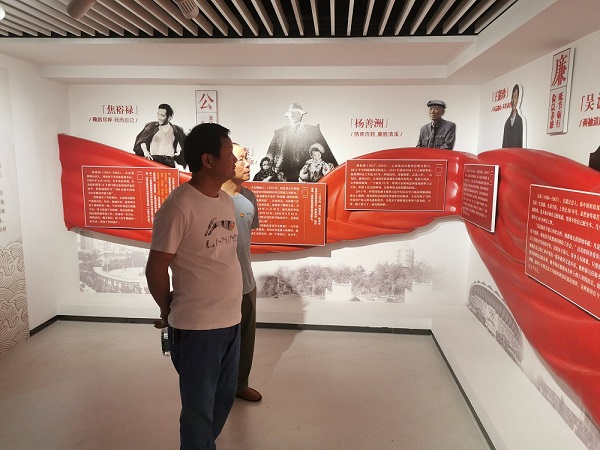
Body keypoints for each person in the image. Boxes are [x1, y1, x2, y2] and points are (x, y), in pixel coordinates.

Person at [145, 123, 241, 449]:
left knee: (222, 400)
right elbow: (156, 268)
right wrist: (166, 308)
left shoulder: (225, 201)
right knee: (199, 410)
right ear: (208, 160)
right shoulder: (179, 206)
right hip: (198, 328)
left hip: (230, 321)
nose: (235, 158)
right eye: (228, 152)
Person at [221, 143, 262, 403]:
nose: (247, 164)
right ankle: (217, 385)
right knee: (219, 338)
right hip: (219, 285)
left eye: (247, 158)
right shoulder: (211, 199)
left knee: (246, 339)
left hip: (246, 281)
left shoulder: (249, 198)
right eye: (239, 159)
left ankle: (240, 384)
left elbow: (246, 239)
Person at [266, 103, 337, 181]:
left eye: (297, 113)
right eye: (292, 113)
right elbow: (270, 154)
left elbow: (324, 149)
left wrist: (330, 164)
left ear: (301, 115)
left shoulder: (312, 131)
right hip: (284, 174)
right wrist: (267, 173)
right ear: (288, 116)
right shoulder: (279, 133)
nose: (294, 115)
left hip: (307, 174)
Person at [133, 103, 187, 169]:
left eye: (162, 115)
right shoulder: (151, 126)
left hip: (169, 161)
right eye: (158, 114)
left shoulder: (176, 129)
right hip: (154, 159)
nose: (159, 118)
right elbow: (142, 140)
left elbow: (180, 143)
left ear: (169, 117)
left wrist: (178, 152)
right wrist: (145, 151)